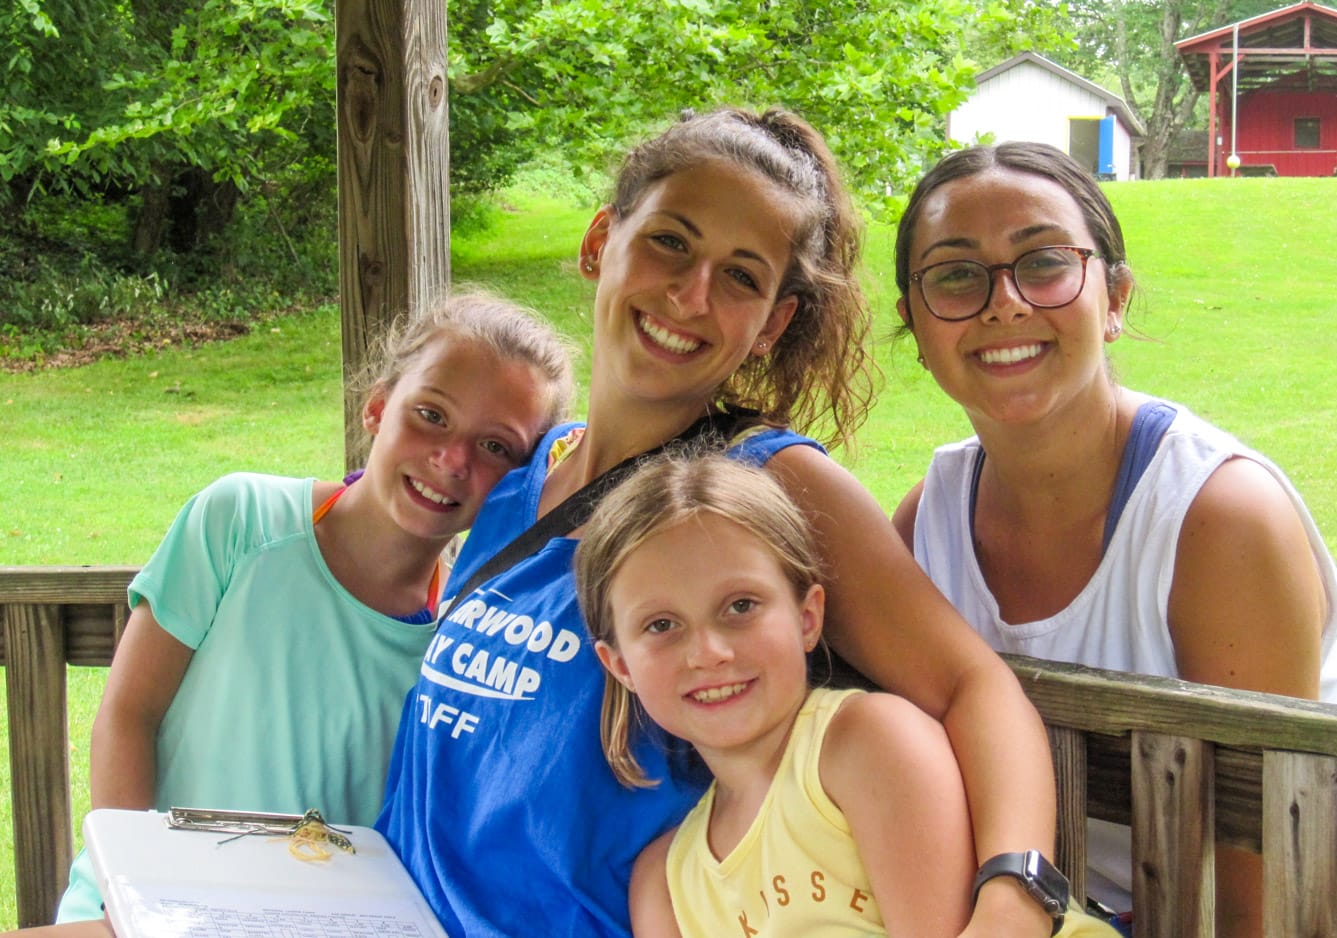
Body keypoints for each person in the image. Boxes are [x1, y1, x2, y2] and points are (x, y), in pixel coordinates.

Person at [375, 107, 1065, 938]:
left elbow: (971, 687)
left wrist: (1015, 896)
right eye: (670, 242)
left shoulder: (761, 481)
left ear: (772, 323)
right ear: (601, 244)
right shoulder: (525, 467)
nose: (691, 294)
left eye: (741, 276)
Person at [890, 140, 1337, 938]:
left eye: (1045, 263)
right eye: (956, 275)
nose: (1005, 304)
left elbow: (1265, 895)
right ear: (915, 327)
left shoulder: (1218, 516)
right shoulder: (923, 528)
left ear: (1117, 297)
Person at [43, 291, 575, 933]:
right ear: (378, 407)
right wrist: (130, 900)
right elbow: (129, 716)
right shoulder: (240, 522)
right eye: (430, 414)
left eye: (496, 447)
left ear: (523, 481)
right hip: (133, 909)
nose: (452, 459)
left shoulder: (465, 646)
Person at [577, 453, 1122, 938]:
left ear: (807, 617)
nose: (709, 652)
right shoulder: (665, 887)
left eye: (741, 606)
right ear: (620, 664)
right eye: (662, 624)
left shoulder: (867, 747)